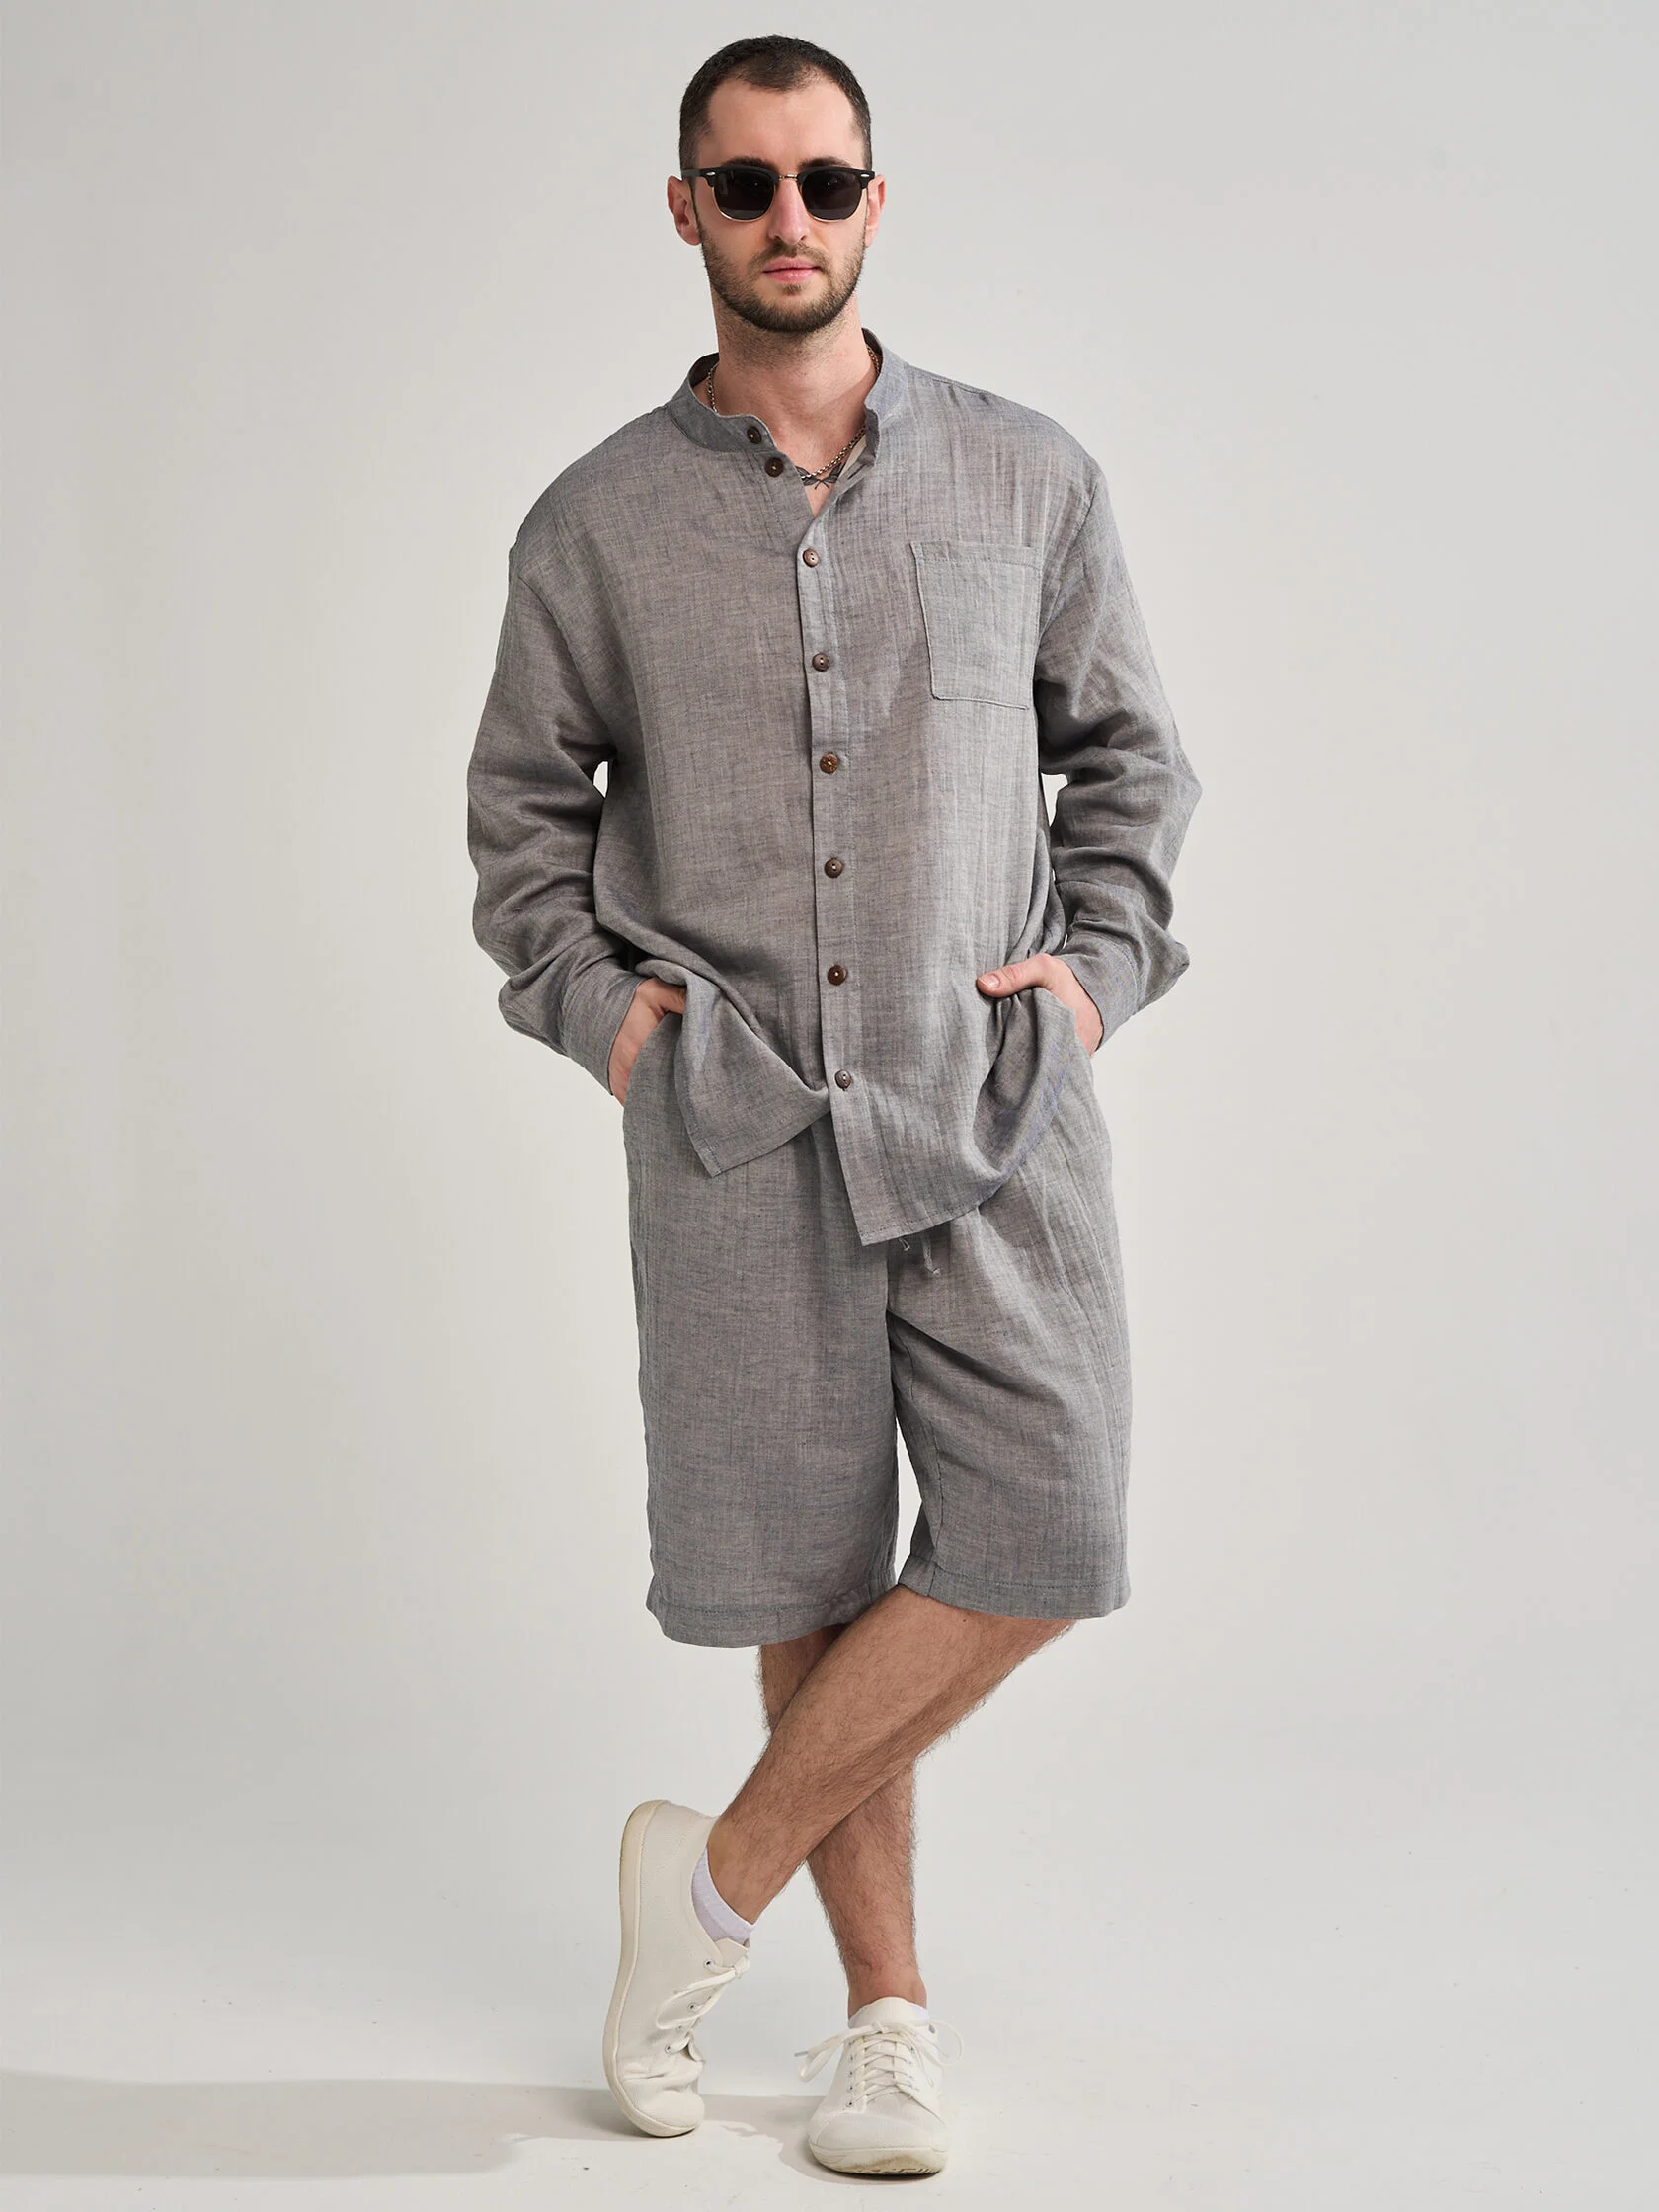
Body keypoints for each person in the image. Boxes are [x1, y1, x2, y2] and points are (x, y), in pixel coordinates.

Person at [465, 33, 1200, 2179]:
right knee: (807, 1575)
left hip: (988, 1112)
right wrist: (614, 1024)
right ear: (684, 209)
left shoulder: (1029, 477)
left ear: (878, 202)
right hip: (736, 1127)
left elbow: (1132, 763)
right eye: (747, 182)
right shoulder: (592, 525)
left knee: (1050, 1524)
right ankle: (886, 2022)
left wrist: (1097, 975)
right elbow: (519, 833)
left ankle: (702, 1893)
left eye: (826, 180)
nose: (789, 217)